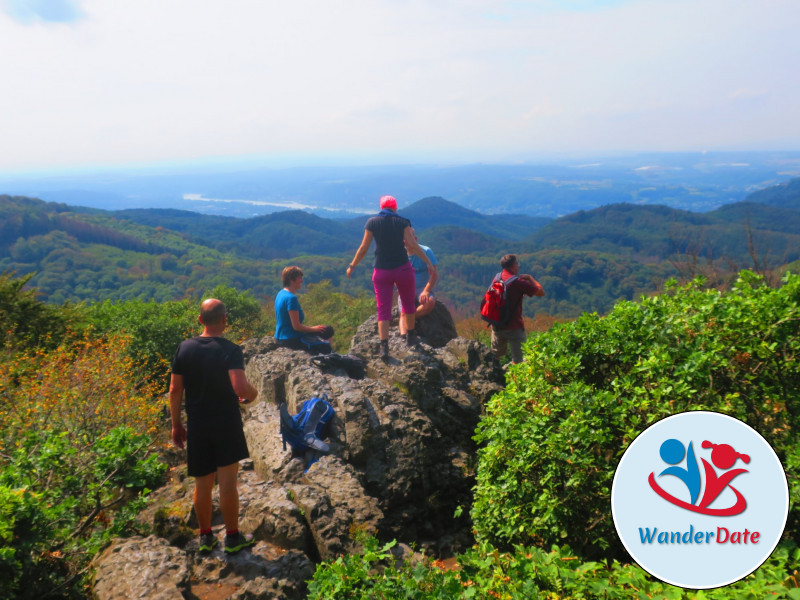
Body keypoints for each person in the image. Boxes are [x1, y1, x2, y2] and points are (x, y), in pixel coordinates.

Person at [169, 298, 259, 555]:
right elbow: (240, 387)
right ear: (224, 320)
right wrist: (252, 396)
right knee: (228, 484)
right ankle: (232, 538)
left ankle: (206, 537)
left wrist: (177, 425)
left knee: (203, 484)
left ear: (200, 320)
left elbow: (175, 390)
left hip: (197, 425)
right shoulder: (230, 350)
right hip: (226, 423)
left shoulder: (184, 349)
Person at [346, 195, 437, 360]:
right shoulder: (403, 222)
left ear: (381, 207)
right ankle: (410, 338)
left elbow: (364, 247)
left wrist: (352, 265)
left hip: (381, 271)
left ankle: (384, 347)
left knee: (383, 309)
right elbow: (413, 245)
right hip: (403, 269)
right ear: (395, 208)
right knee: (408, 304)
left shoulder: (372, 223)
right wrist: (428, 262)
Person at [490, 254, 545, 365]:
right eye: (517, 263)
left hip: (497, 324)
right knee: (519, 361)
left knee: (494, 357)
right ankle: (514, 380)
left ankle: (494, 377)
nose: (518, 266)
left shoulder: (497, 277)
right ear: (513, 266)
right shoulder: (519, 282)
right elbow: (541, 292)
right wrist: (530, 278)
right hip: (514, 327)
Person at [274, 266, 333, 353]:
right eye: (299, 278)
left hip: (280, 337)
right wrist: (314, 329)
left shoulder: (281, 293)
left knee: (328, 330)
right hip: (291, 340)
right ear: (291, 279)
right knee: (326, 346)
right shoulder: (291, 298)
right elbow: (296, 326)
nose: (302, 280)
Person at [398, 234, 438, 335]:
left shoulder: (426, 251)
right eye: (404, 241)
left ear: (415, 239)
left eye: (409, 240)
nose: (406, 243)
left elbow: (434, 275)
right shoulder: (399, 254)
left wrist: (426, 291)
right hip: (406, 289)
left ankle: (411, 317)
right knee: (403, 312)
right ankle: (404, 337)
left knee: (429, 303)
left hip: (422, 288)